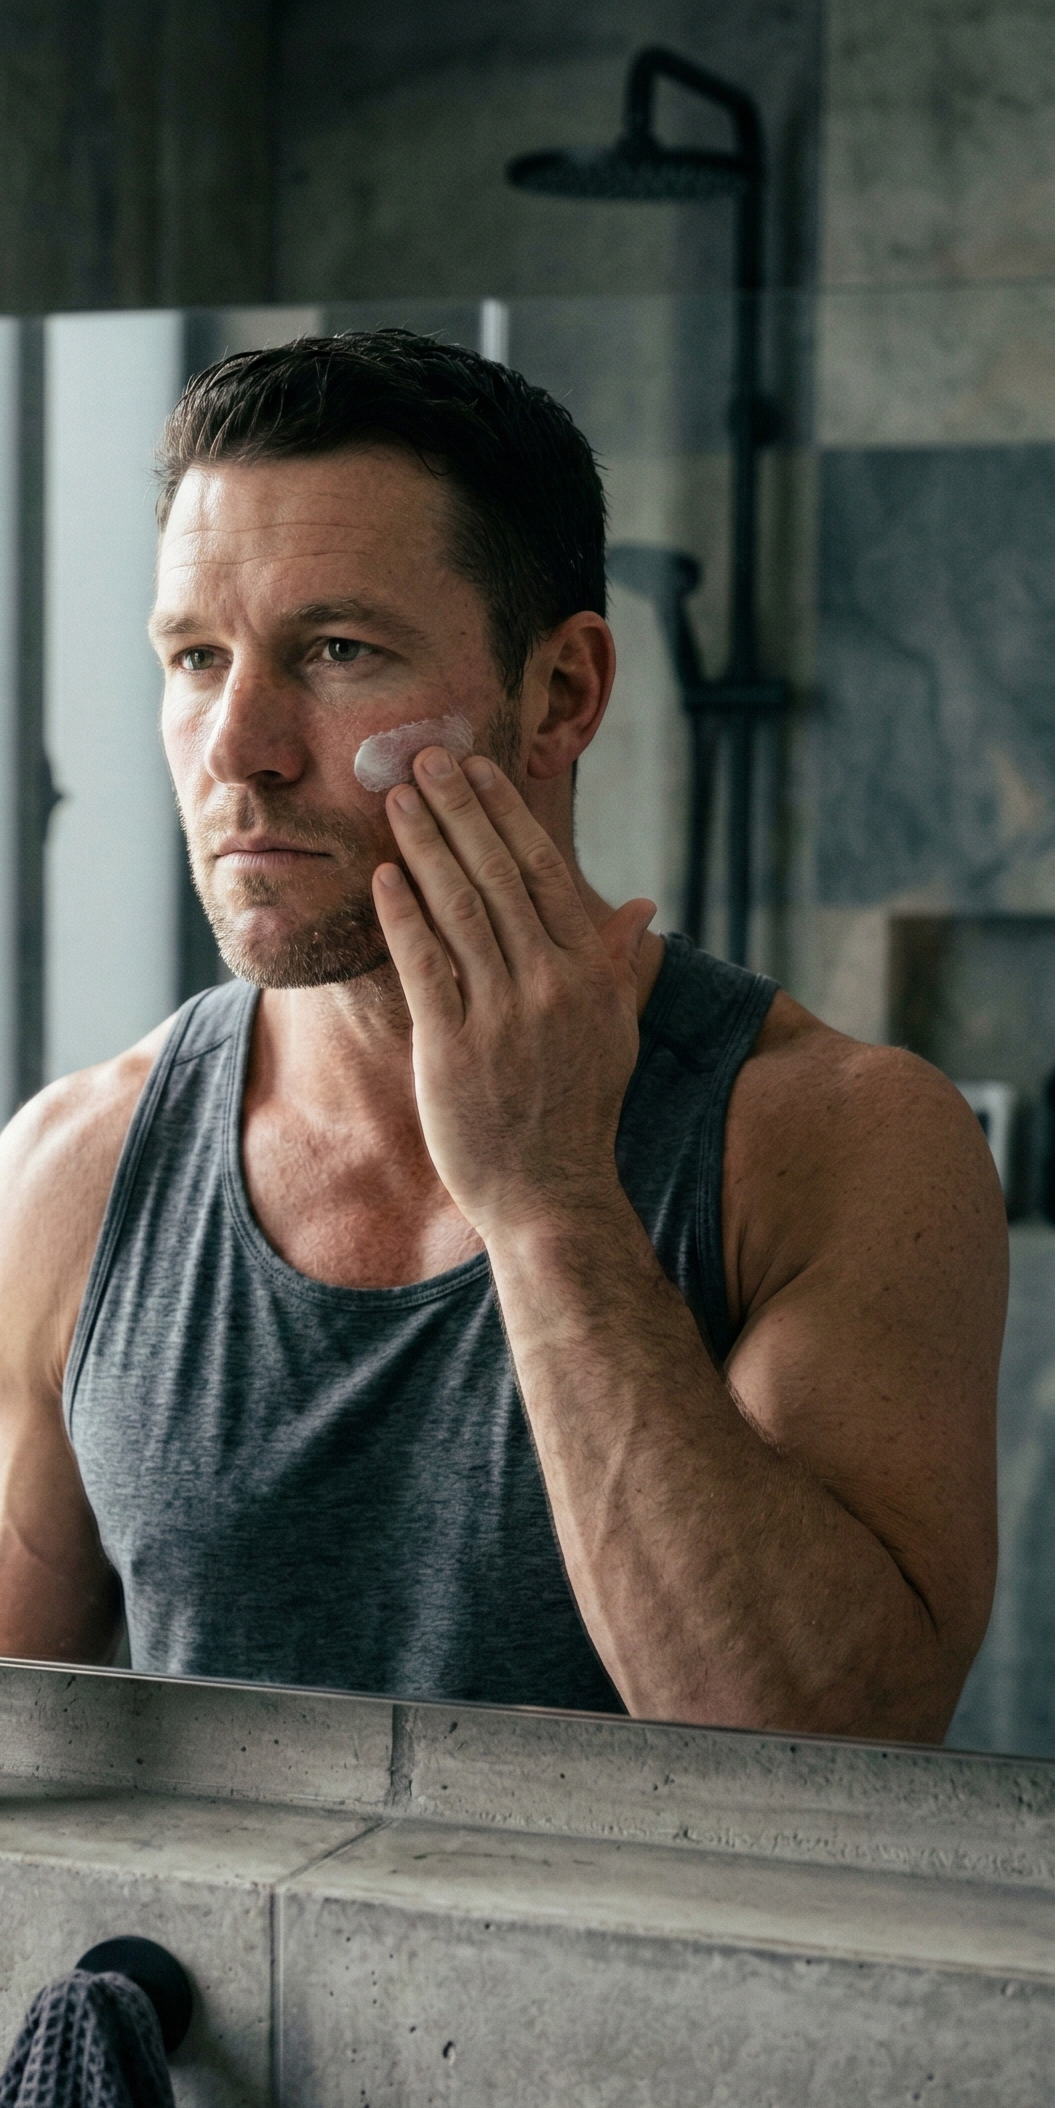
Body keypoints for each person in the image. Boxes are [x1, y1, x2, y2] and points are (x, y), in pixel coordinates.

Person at [0, 332, 1006, 1738]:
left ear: (563, 695)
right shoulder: (74, 1170)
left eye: (337, 651)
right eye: (195, 657)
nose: (239, 747)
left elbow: (829, 1761)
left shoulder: (839, 1143)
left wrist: (547, 1205)